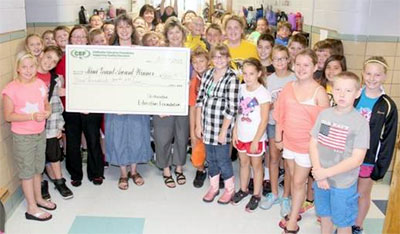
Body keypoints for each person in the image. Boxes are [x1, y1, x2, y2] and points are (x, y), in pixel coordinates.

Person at [274, 49, 329, 233]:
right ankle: (295, 210)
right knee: (292, 177)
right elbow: (280, 114)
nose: (301, 68)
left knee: (299, 182)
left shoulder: (319, 92)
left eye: (306, 65)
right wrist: (278, 137)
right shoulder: (288, 87)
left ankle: (292, 223)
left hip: (308, 148)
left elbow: (326, 126)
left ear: (315, 67)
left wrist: (320, 151)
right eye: (297, 64)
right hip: (289, 143)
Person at [310, 71, 370, 234]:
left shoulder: (360, 123)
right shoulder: (325, 115)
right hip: (321, 179)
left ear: (357, 93)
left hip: (343, 184)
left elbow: (357, 159)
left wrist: (325, 173)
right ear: (331, 89)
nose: (342, 94)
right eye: (338, 90)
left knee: (343, 223)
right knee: (325, 218)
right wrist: (318, 172)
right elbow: (314, 143)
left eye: (348, 91)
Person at [2, 52, 55, 221]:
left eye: (31, 66)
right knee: (26, 172)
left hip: (39, 133)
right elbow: (8, 116)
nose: (28, 70)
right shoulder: (11, 89)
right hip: (23, 136)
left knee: (37, 169)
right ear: (17, 68)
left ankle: (39, 199)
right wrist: (31, 117)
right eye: (24, 67)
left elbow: (45, 103)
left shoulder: (40, 83)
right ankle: (31, 207)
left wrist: (47, 111)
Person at [105, 14, 152, 190]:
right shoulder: (108, 53)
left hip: (137, 102)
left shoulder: (141, 51)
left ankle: (134, 170)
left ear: (133, 29)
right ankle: (123, 173)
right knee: (118, 136)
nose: (124, 30)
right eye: (120, 27)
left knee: (137, 134)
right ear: (116, 31)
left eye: (127, 26)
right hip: (115, 103)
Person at [352, 57, 398, 234]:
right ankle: (345, 224)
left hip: (369, 159)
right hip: (347, 157)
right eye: (368, 73)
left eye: (377, 75)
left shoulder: (388, 105)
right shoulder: (354, 96)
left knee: (362, 193)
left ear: (385, 76)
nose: (372, 78)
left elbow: (388, 139)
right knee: (347, 193)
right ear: (363, 74)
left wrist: (381, 166)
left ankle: (357, 225)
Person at [196, 43, 239, 204]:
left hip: (222, 127)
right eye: (215, 57)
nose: (218, 60)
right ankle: (214, 187)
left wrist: (223, 131)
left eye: (222, 56)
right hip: (208, 126)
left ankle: (229, 189)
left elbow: (232, 107)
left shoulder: (231, 78)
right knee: (210, 159)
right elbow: (200, 100)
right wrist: (199, 125)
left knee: (223, 159)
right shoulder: (207, 74)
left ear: (228, 59)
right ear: (211, 59)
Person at [62, 25, 104, 187]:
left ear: (87, 40)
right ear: (70, 39)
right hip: (71, 106)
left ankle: (96, 173)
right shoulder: (63, 59)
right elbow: (60, 84)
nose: (79, 39)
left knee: (93, 139)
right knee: (73, 142)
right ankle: (75, 173)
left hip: (91, 105)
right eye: (75, 36)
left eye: (82, 37)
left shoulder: (95, 57)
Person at [260, 45, 296, 217]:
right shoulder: (269, 80)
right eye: (276, 59)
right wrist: (275, 104)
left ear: (289, 59)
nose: (280, 62)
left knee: (289, 163)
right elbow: (266, 105)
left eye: (283, 58)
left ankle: (286, 196)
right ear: (271, 61)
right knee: (274, 158)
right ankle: (274, 192)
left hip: (291, 126)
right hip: (274, 123)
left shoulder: (295, 78)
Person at [153, 17, 189, 188]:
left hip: (184, 103)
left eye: (177, 32)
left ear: (183, 33)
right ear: (166, 35)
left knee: (182, 136)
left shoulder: (190, 54)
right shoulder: (159, 55)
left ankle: (179, 167)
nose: (175, 35)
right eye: (171, 32)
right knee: (163, 137)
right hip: (163, 102)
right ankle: (166, 169)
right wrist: (158, 103)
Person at [231, 58, 271, 212]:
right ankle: (243, 189)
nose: (247, 77)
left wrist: (256, 140)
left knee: (256, 166)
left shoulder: (263, 93)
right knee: (243, 163)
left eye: (251, 74)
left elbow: (264, 119)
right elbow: (237, 113)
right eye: (245, 74)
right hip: (241, 134)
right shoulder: (240, 89)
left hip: (256, 138)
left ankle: (256, 194)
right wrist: (235, 132)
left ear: (259, 73)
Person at [36, 46, 73, 199]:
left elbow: (58, 104)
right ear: (42, 54)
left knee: (54, 155)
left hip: (51, 124)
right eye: (48, 57)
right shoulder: (29, 76)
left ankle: (59, 181)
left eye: (54, 61)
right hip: (32, 124)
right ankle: (41, 184)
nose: (50, 62)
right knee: (37, 156)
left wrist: (59, 126)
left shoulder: (56, 79)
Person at [189, 47, 210, 188]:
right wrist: (193, 129)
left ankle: (217, 172)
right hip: (199, 119)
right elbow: (192, 107)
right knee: (197, 148)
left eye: (201, 61)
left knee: (215, 149)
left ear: (208, 62)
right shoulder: (193, 82)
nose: (198, 65)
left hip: (213, 120)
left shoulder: (215, 78)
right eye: (195, 62)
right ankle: (201, 169)